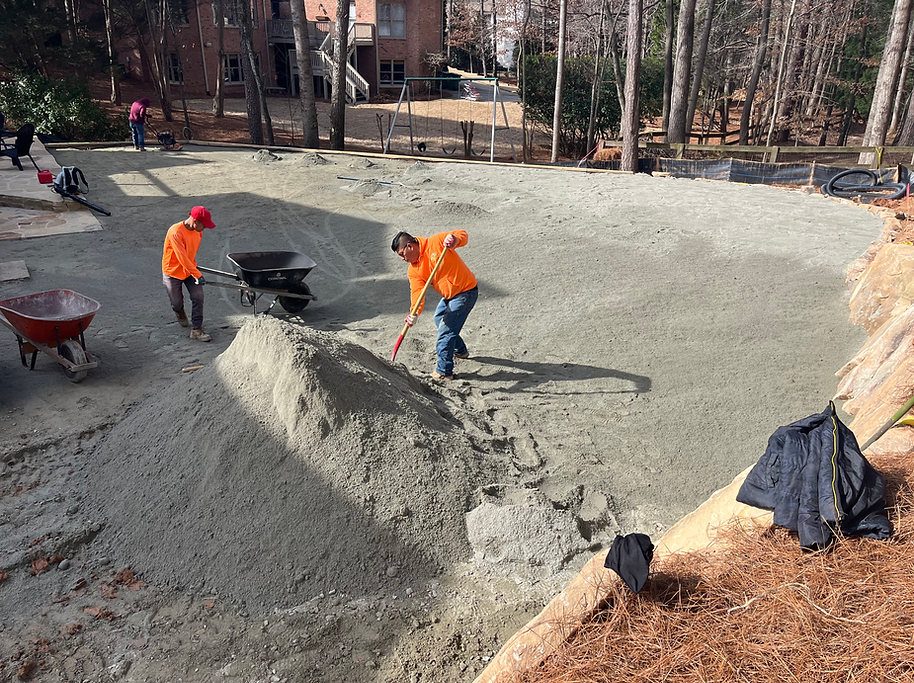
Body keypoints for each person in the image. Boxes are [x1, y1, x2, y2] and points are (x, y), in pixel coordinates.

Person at [392, 230, 478, 380]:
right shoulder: (414, 270)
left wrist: (455, 239)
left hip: (466, 291)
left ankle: (444, 372)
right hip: (449, 296)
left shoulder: (437, 242)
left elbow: (463, 234)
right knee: (439, 319)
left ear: (410, 247)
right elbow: (417, 293)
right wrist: (414, 314)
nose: (402, 259)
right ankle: (460, 350)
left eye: (401, 254)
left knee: (446, 331)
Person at [162, 206, 216, 342]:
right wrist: (197, 274)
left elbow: (190, 254)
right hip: (173, 271)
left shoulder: (198, 231)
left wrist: (193, 270)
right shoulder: (175, 232)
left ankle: (196, 329)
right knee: (176, 302)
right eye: (203, 225)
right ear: (195, 221)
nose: (205, 229)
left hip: (189, 269)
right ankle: (179, 312)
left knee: (198, 296)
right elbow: (182, 257)